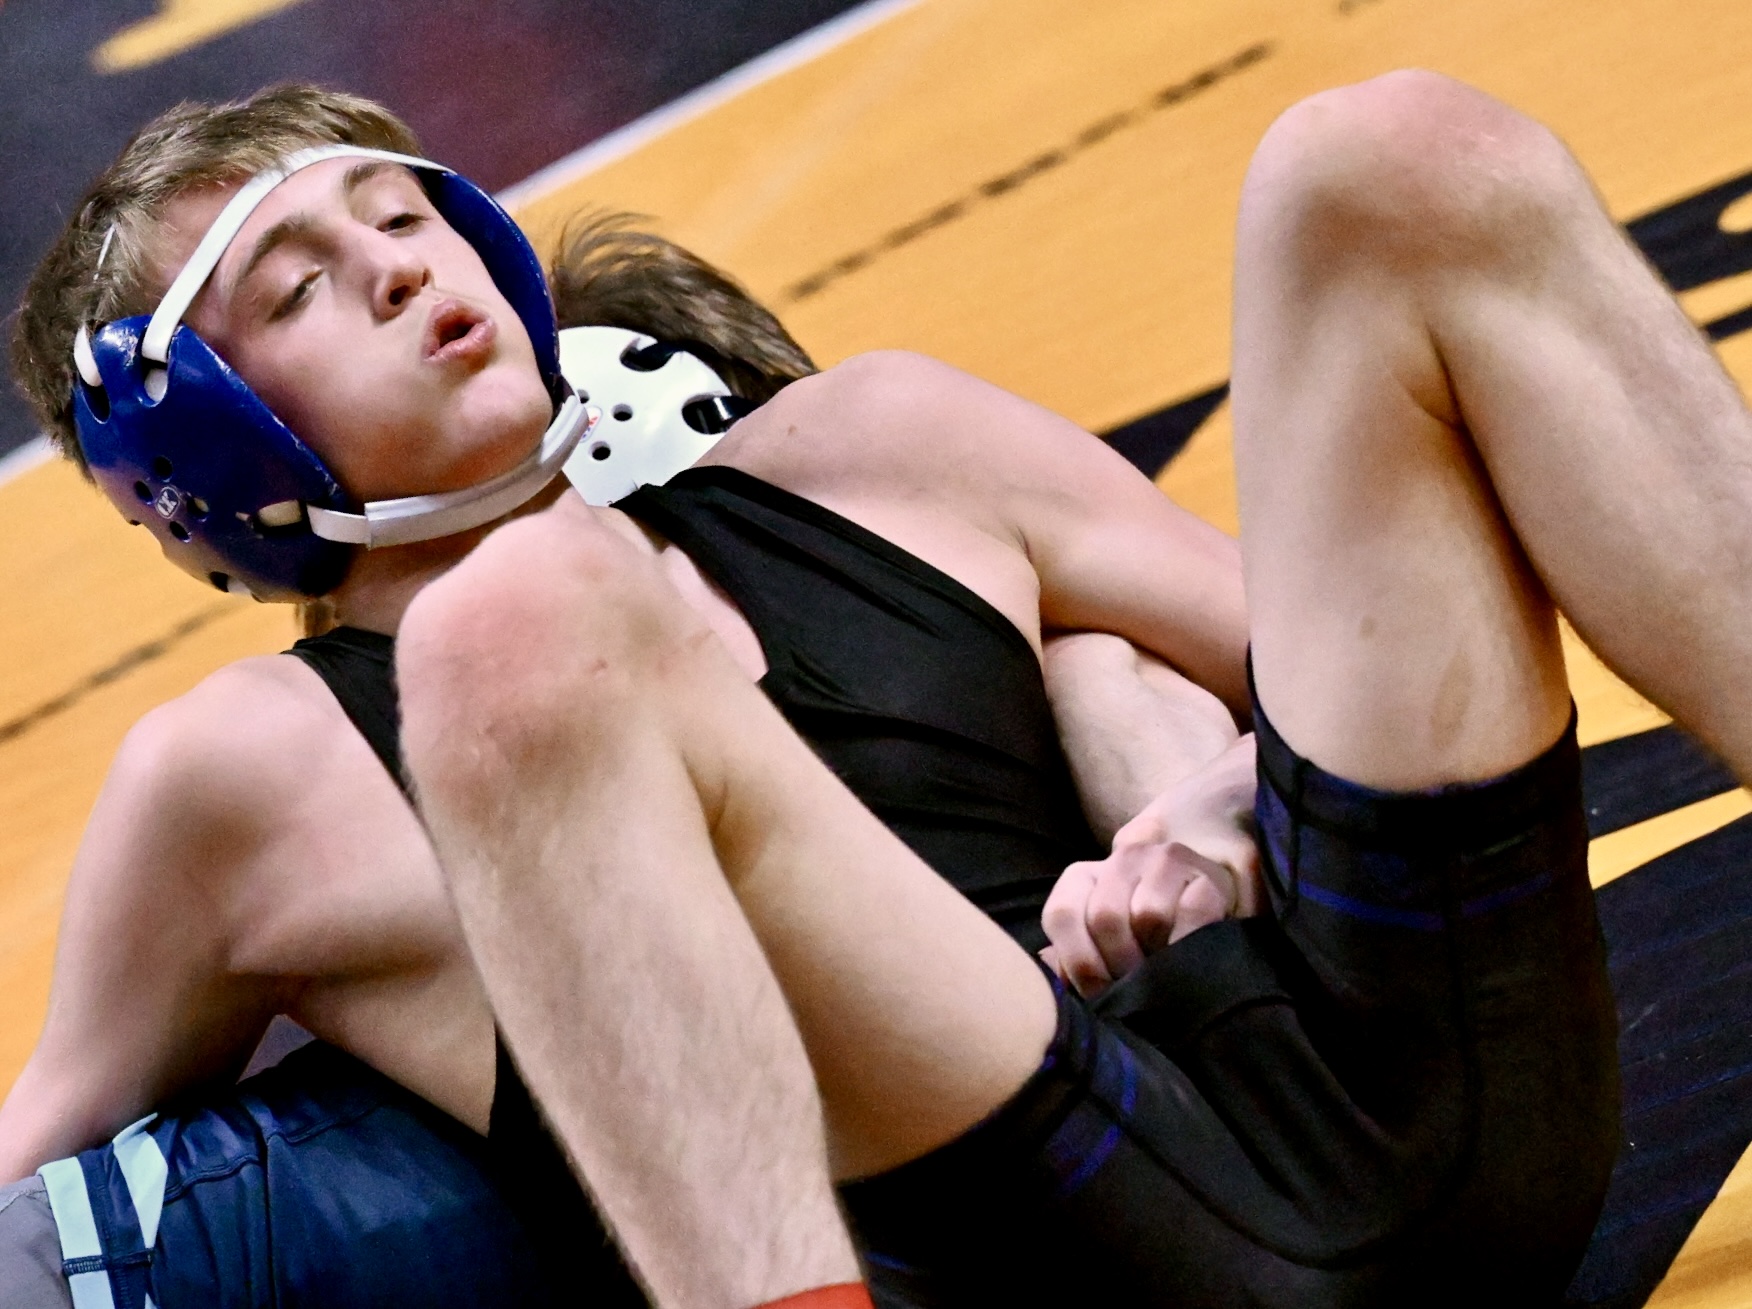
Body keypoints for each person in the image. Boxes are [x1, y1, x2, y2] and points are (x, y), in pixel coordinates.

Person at [1, 89, 1246, 1308]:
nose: (399, 272)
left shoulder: (887, 454)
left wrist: (1214, 798)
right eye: (296, 286)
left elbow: (1375, 694)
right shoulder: (251, 770)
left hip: (1285, 1149)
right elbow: (25, 1213)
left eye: (401, 218)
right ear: (205, 456)